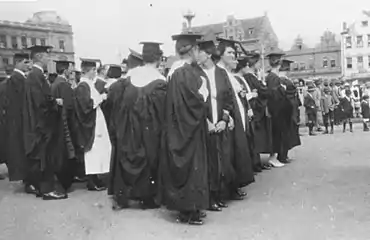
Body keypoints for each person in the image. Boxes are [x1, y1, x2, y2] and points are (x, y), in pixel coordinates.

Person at [107, 41, 166, 210]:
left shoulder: (128, 78)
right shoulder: (159, 80)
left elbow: (115, 99)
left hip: (128, 126)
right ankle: (146, 197)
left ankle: (122, 195)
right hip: (148, 129)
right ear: (159, 58)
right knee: (148, 157)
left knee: (127, 155)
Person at [160, 32, 209, 225]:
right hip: (191, 128)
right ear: (194, 50)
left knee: (180, 166)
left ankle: (184, 210)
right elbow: (196, 101)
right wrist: (204, 95)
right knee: (194, 167)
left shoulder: (173, 71)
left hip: (176, 127)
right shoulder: (187, 72)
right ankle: (192, 210)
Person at [22, 45, 67, 200]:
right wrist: (56, 102)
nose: (49, 59)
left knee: (43, 158)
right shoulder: (36, 76)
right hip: (42, 125)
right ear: (40, 57)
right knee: (45, 158)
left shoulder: (35, 75)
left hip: (40, 123)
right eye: (47, 56)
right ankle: (47, 190)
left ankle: (42, 187)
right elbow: (40, 102)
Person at [197, 36, 234, 211]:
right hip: (205, 125)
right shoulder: (197, 74)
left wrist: (224, 120)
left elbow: (228, 99)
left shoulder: (221, 73)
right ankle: (210, 197)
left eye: (201, 52)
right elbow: (196, 101)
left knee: (222, 159)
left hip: (220, 123)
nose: (198, 55)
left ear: (208, 54)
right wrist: (207, 122)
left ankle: (220, 193)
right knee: (209, 161)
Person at [216, 37, 255, 199]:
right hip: (228, 118)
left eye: (234, 52)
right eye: (230, 52)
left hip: (237, 116)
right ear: (221, 54)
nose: (233, 56)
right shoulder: (218, 72)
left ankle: (235, 185)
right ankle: (229, 189)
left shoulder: (228, 73)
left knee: (237, 151)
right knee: (230, 153)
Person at [74, 59, 110, 191]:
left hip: (96, 120)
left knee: (98, 151)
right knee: (92, 152)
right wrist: (102, 98)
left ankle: (95, 178)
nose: (95, 72)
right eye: (93, 70)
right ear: (86, 71)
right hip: (91, 123)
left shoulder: (89, 84)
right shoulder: (83, 85)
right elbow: (86, 105)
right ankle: (91, 180)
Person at [241, 51, 274, 170]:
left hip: (257, 108)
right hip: (255, 109)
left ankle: (257, 162)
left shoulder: (251, 76)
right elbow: (264, 91)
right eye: (259, 62)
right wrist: (261, 82)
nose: (260, 65)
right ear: (253, 63)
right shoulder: (250, 77)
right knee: (255, 137)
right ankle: (255, 163)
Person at [0, 53, 30, 181]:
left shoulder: (11, 80)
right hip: (20, 121)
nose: (29, 65)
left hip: (13, 121)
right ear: (18, 63)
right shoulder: (18, 80)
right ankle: (27, 179)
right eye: (26, 62)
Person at [50, 60, 77, 191]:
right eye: (70, 70)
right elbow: (70, 106)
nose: (71, 72)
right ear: (65, 70)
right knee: (67, 152)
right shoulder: (64, 85)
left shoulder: (55, 83)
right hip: (66, 122)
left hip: (58, 121)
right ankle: (66, 181)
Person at [265, 49, 290, 166]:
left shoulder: (271, 76)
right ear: (279, 63)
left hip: (276, 110)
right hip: (276, 111)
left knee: (276, 134)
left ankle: (275, 157)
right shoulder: (273, 78)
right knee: (276, 134)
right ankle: (273, 157)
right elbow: (274, 96)